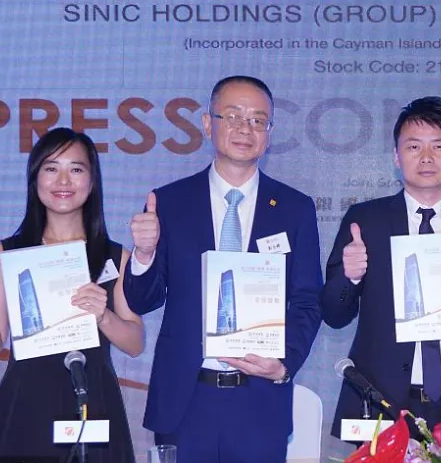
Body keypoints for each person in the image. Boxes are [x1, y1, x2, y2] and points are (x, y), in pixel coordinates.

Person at [122, 75, 322, 463]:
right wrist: (143, 254)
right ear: (207, 123)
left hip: (260, 398)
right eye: (233, 116)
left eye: (258, 120)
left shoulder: (295, 208)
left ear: (269, 132)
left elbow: (307, 300)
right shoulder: (170, 202)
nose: (245, 129)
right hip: (186, 400)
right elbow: (142, 300)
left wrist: (283, 364)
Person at [321, 96, 441, 438]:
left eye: (438, 146)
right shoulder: (365, 221)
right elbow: (334, 315)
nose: (426, 157)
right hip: (379, 402)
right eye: (413, 146)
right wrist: (349, 278)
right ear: (396, 157)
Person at [0, 127, 142, 462]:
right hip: (28, 403)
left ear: (92, 181)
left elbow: (135, 343)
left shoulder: (116, 257)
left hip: (93, 400)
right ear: (35, 178)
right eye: (51, 168)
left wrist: (104, 317)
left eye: (76, 169)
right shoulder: (7, 254)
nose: (63, 180)